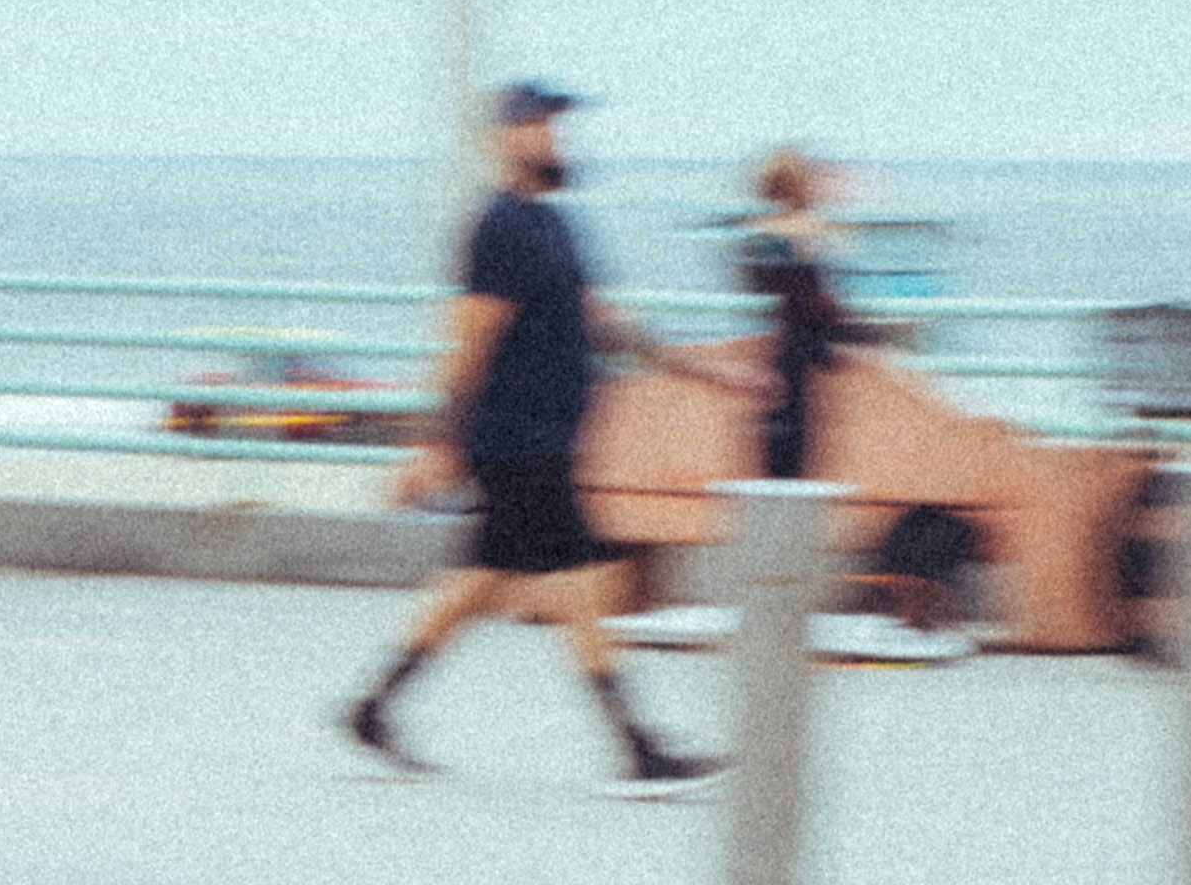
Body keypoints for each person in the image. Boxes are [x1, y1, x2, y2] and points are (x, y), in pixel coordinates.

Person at [339, 82, 742, 787]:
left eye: (560, 128)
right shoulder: (496, 226)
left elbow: (604, 324)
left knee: (479, 581)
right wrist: (435, 441)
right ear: (506, 137)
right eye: (544, 127)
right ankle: (638, 747)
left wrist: (705, 370)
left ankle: (374, 706)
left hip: (549, 434)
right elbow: (468, 341)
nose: (558, 141)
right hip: (515, 439)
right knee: (582, 582)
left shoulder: (553, 225)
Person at [735, 146, 876, 482]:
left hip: (781, 348)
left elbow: (756, 285)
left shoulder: (758, 233)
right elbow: (816, 299)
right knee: (800, 451)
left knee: (779, 450)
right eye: (810, 178)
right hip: (809, 350)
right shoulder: (810, 231)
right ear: (798, 184)